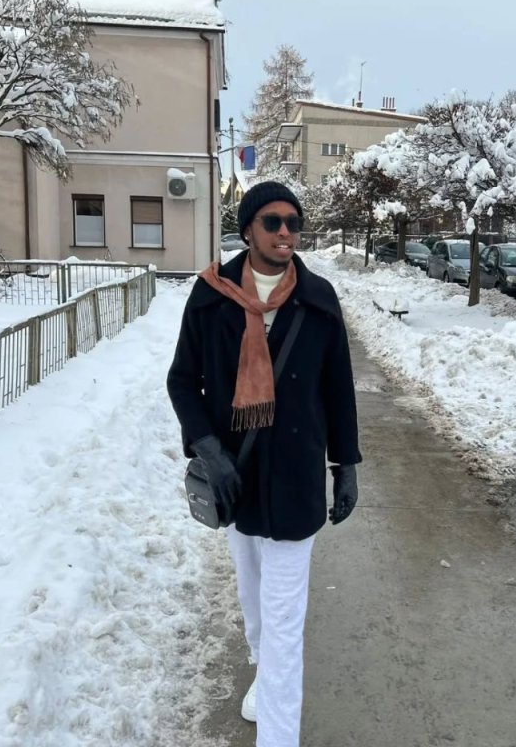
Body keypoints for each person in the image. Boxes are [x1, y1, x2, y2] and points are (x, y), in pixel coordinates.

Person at [167, 180, 362, 747]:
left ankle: (279, 735)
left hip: (297, 476)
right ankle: (261, 668)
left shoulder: (318, 298)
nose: (285, 232)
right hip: (237, 474)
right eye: (272, 221)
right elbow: (183, 380)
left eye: (293, 223)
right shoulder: (211, 295)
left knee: (283, 618)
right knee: (253, 594)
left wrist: (345, 465)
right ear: (248, 229)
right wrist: (209, 450)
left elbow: (338, 389)